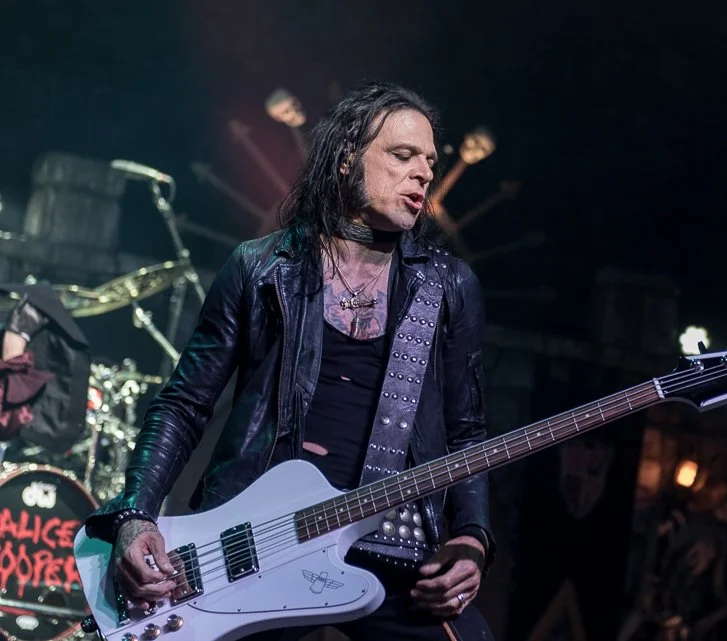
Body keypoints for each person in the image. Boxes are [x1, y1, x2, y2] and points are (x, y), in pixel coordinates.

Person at [83, 81, 496, 641]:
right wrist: (135, 513)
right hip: (261, 538)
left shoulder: (447, 285)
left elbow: (466, 432)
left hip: (391, 541)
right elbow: (184, 403)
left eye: (429, 160)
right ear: (347, 158)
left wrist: (471, 537)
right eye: (403, 155)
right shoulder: (260, 267)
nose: (423, 172)